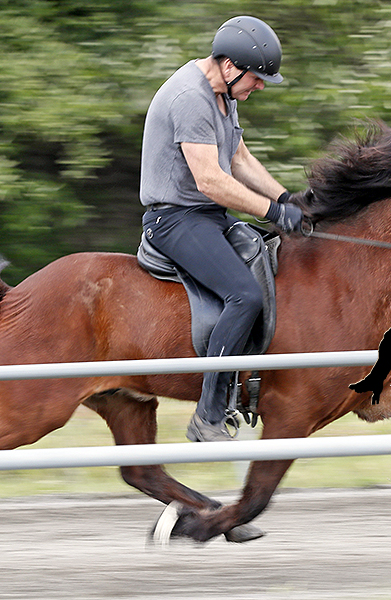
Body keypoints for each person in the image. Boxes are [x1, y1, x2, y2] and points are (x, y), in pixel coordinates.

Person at [139, 15, 303, 442]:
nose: (261, 86)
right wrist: (271, 211)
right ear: (230, 66)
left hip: (206, 216)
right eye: (258, 78)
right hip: (174, 219)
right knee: (243, 294)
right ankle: (208, 415)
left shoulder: (223, 96)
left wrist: (287, 200)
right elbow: (210, 179)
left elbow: (240, 160)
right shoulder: (190, 98)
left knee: (271, 259)